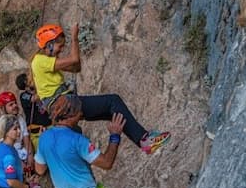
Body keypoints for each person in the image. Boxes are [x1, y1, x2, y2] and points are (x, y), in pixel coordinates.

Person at [31, 23, 170, 155]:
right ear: (49, 44)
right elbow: (74, 59)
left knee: (113, 112)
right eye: (59, 46)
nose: (61, 49)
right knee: (113, 101)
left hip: (64, 106)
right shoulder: (39, 61)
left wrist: (74, 55)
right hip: (65, 104)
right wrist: (74, 38)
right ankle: (145, 140)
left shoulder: (48, 62)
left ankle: (144, 141)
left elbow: (76, 67)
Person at [0, 91, 54, 188]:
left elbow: (26, 139)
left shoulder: (19, 119)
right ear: (3, 108)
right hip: (5, 157)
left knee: (35, 164)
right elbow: (4, 152)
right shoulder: (1, 125)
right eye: (10, 105)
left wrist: (30, 157)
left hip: (18, 151)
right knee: (24, 176)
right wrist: (22, 165)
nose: (14, 106)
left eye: (15, 103)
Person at [16, 73, 51, 153]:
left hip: (49, 126)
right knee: (42, 154)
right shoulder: (24, 95)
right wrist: (46, 89)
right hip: (37, 132)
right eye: (29, 78)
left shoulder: (38, 90)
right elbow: (34, 98)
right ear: (25, 82)